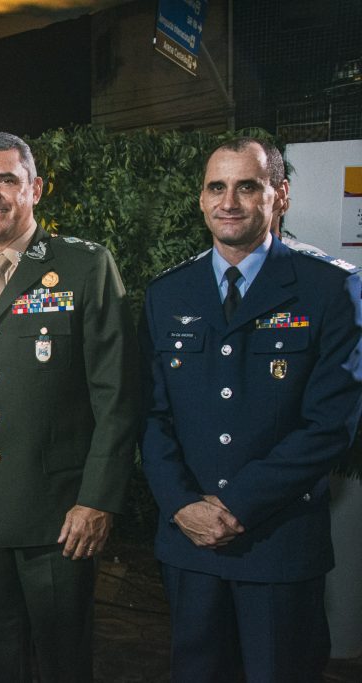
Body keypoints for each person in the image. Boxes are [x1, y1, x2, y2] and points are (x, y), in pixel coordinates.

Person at [139, 137, 362, 682]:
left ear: (279, 195)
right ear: (201, 199)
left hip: (278, 544)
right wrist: (181, 505)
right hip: (189, 545)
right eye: (217, 186)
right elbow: (150, 415)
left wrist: (236, 506)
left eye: (248, 186)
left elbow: (330, 425)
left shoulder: (330, 287)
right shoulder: (168, 293)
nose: (229, 201)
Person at [0, 132, 138, 682]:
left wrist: (97, 498)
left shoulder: (84, 266)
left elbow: (116, 395)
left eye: (6, 179)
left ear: (35, 188)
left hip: (58, 516)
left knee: (63, 661)